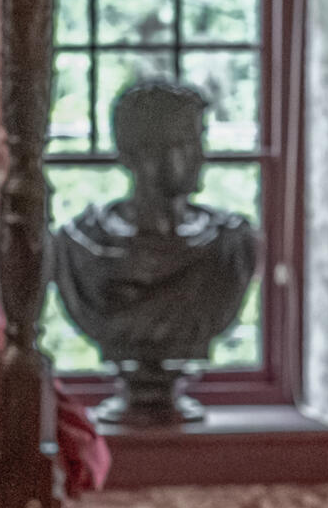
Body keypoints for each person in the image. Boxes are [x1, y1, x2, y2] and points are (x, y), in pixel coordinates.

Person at [51, 77, 259, 425]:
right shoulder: (80, 249)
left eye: (200, 141)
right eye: (185, 143)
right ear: (137, 155)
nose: (202, 157)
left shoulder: (229, 246)